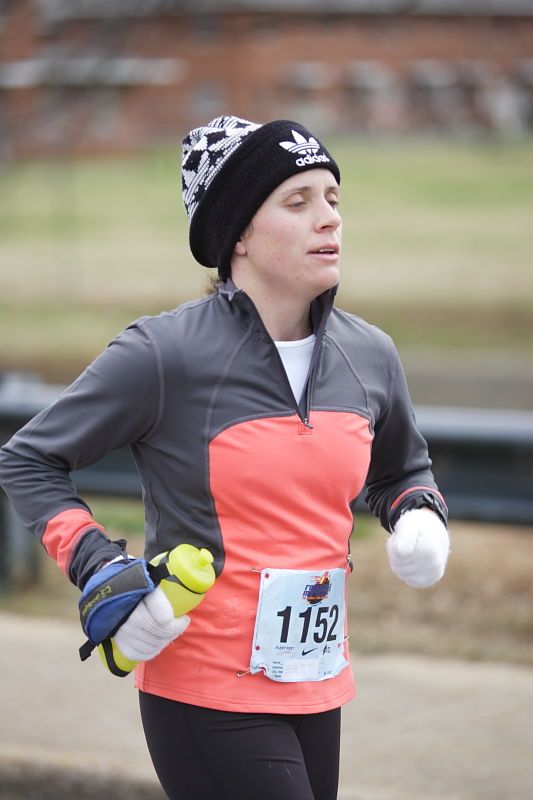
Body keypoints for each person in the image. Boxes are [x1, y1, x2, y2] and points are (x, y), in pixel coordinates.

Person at [0, 115, 450, 800]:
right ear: (237, 232)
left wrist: (417, 512)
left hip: (316, 681)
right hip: (204, 682)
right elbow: (27, 460)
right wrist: (98, 563)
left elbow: (399, 471)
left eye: (332, 199)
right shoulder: (164, 353)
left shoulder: (370, 355)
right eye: (296, 203)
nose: (327, 219)